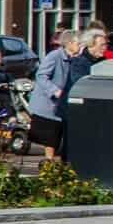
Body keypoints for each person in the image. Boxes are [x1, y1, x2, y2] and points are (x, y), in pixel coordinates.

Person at [28, 29, 86, 159]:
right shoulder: (54, 56)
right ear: (69, 43)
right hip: (49, 104)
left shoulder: (76, 59)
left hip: (64, 103)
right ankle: (49, 164)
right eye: (79, 43)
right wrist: (55, 91)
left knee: (61, 134)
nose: (81, 46)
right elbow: (41, 75)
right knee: (51, 136)